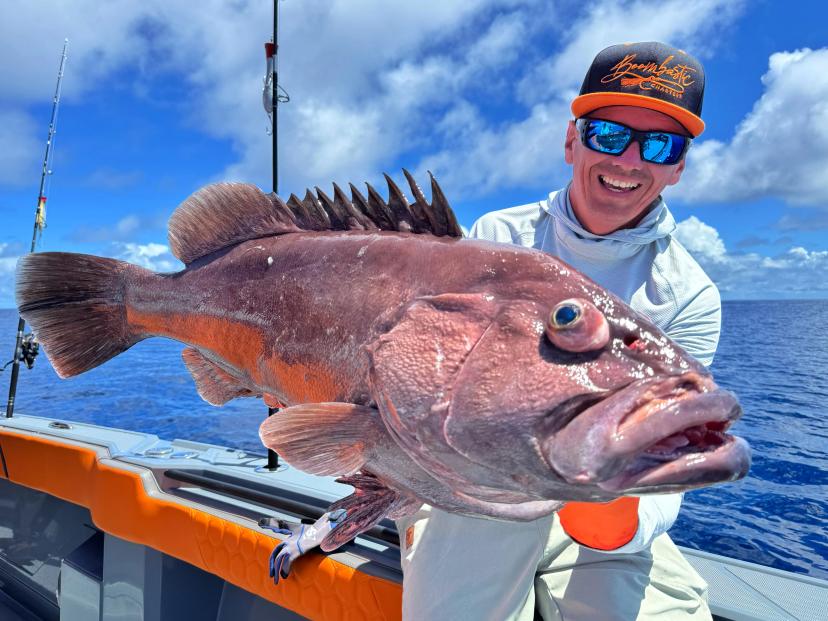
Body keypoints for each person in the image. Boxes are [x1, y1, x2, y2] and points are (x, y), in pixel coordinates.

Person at [397, 41, 720, 620]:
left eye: (660, 144)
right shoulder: (496, 234)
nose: (629, 161)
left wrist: (613, 506)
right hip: (476, 484)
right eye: (609, 134)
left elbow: (664, 469)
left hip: (604, 500)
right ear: (572, 140)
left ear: (678, 166)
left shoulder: (689, 293)